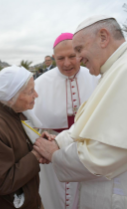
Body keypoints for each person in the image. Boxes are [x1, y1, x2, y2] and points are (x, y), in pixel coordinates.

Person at [34, 15, 127, 209]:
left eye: (79, 49)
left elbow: (108, 150)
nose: (78, 58)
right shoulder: (120, 67)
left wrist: (56, 155)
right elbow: (94, 123)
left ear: (103, 37)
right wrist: (58, 141)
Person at [32, 33, 99, 209]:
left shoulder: (96, 77)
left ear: (80, 53)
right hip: (53, 152)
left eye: (72, 56)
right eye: (60, 58)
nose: (67, 63)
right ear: (54, 58)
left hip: (89, 150)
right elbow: (30, 124)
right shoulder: (40, 83)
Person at [0, 66, 44, 209]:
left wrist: (40, 143)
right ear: (12, 96)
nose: (36, 95)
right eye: (30, 91)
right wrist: (36, 155)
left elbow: (19, 149)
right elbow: (4, 182)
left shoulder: (14, 113)